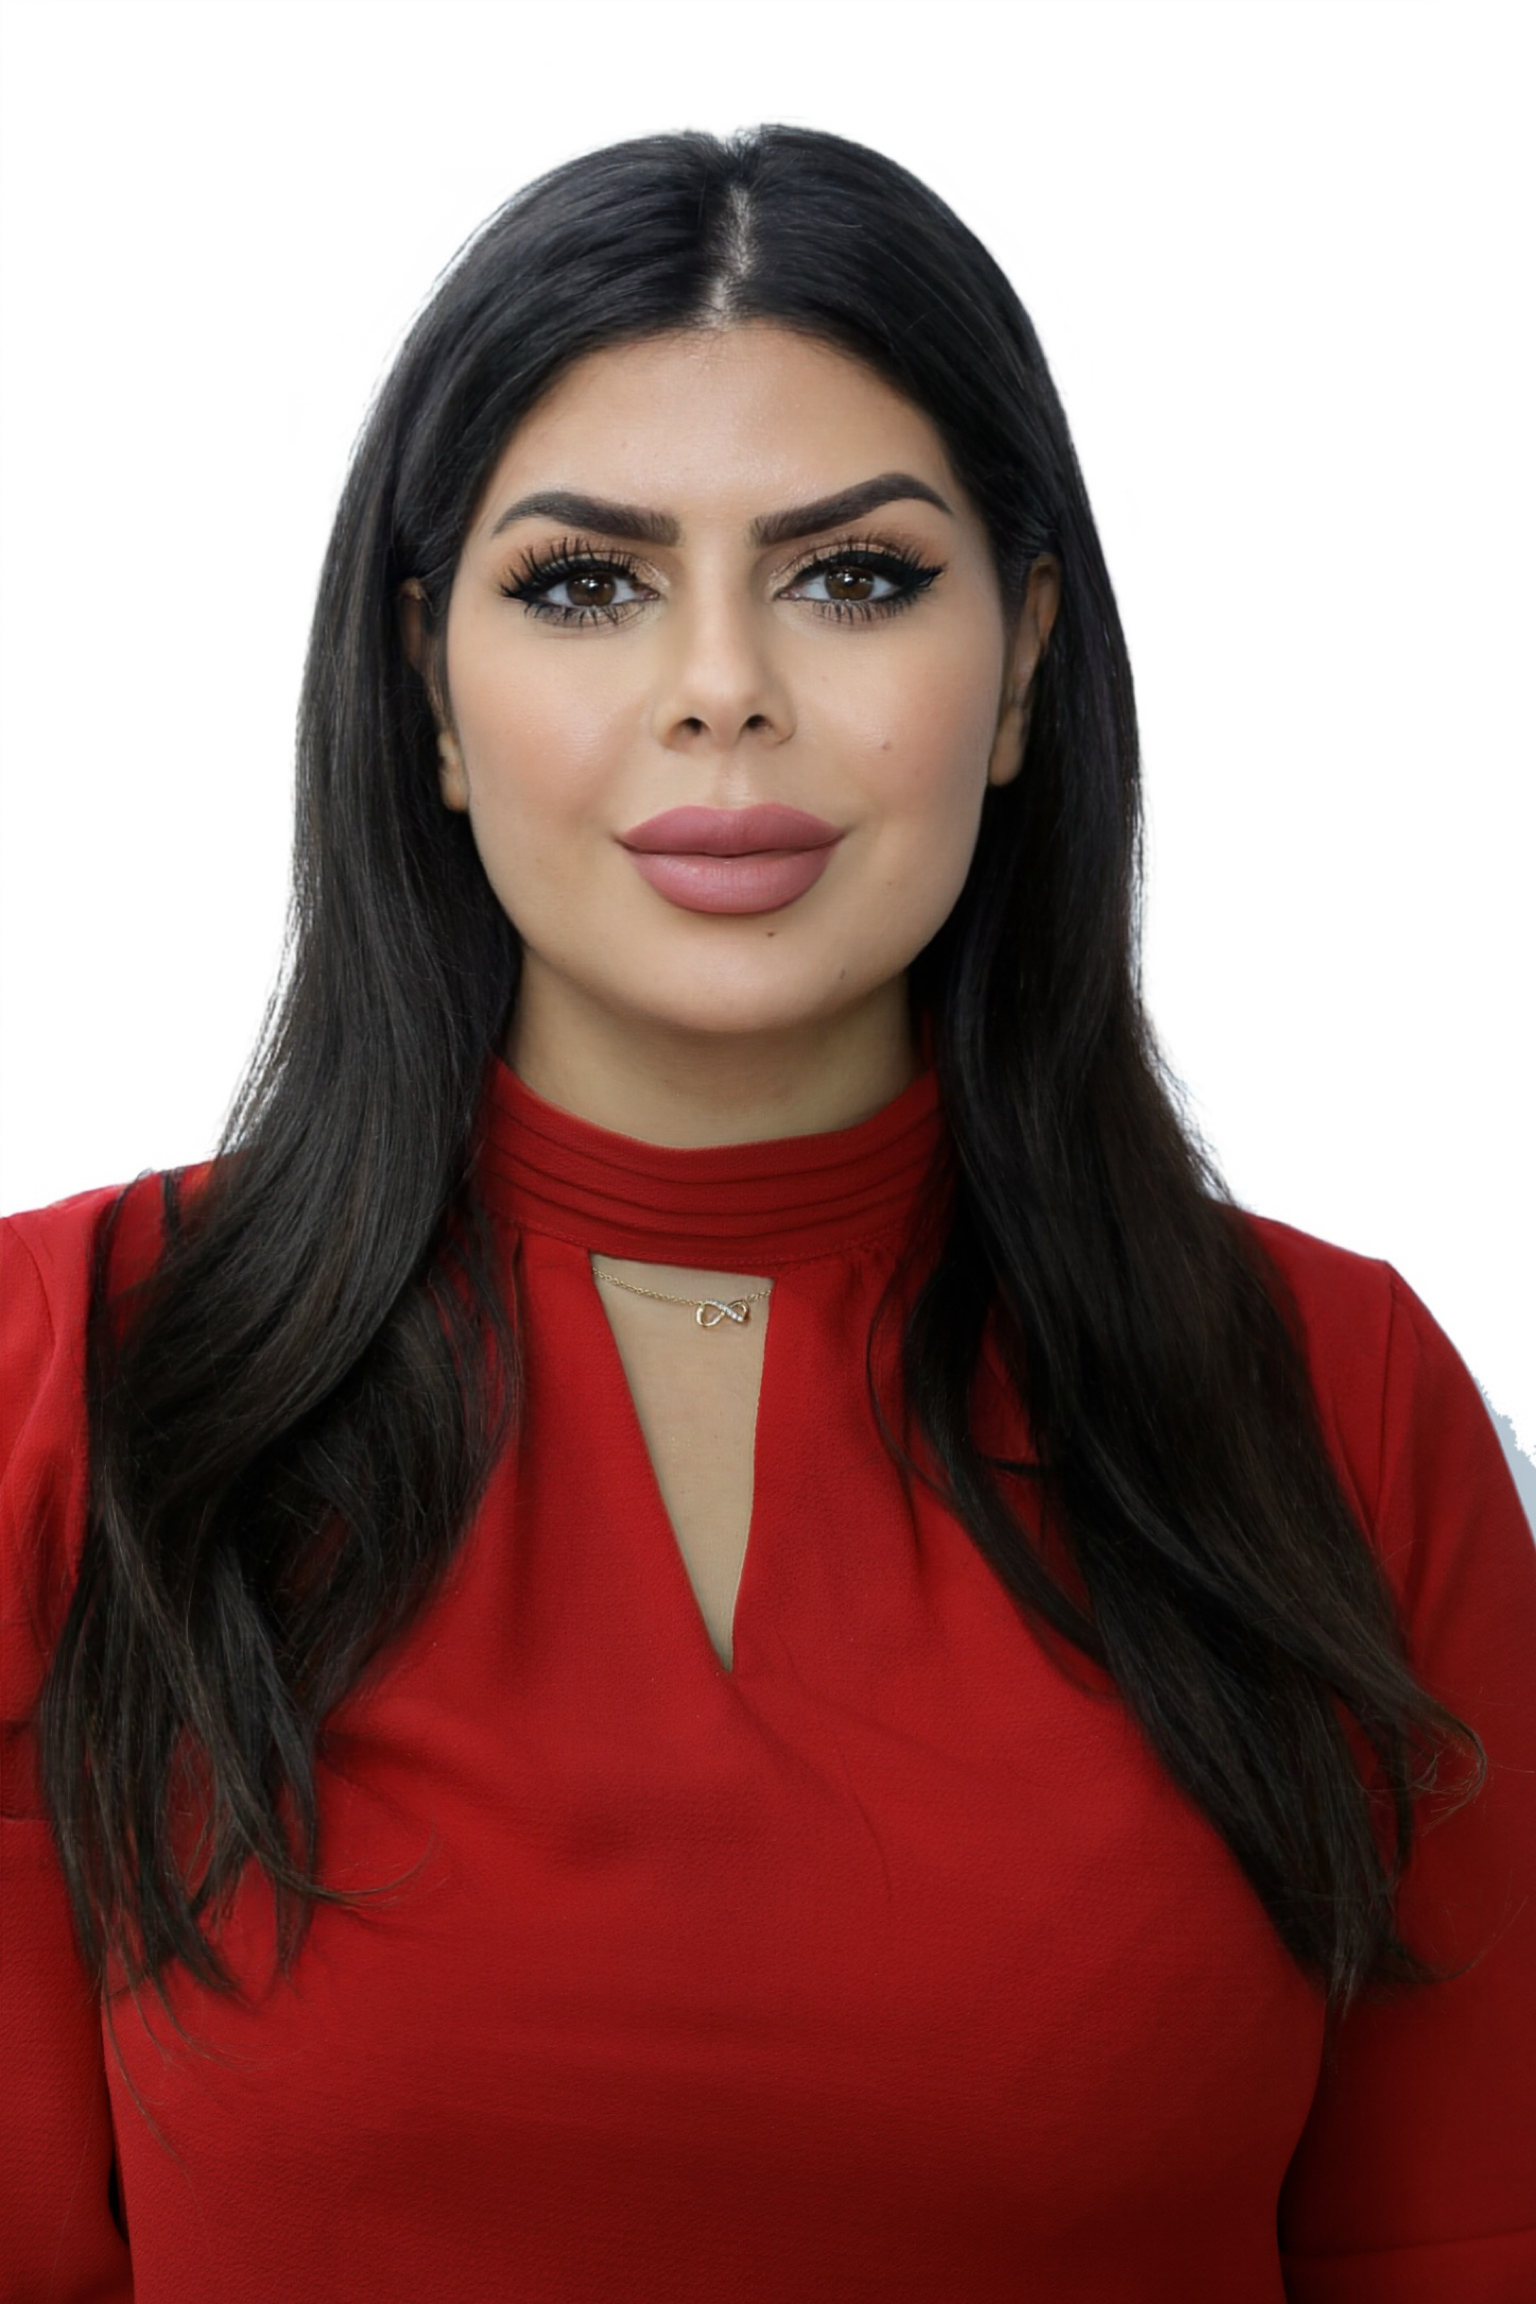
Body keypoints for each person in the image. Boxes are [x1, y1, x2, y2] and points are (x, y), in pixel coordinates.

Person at [2, 125, 1532, 2303]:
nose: (722, 685)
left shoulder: (1343, 1409)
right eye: (586, 584)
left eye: (854, 577)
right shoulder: (65, 1381)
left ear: (1023, 667)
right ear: (429, 691)